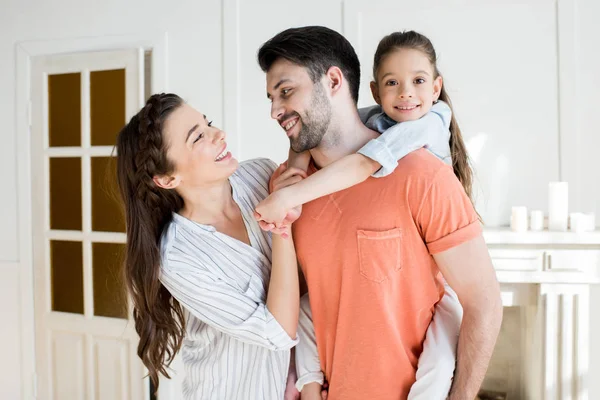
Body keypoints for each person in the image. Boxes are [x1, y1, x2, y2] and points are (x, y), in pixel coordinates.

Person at [257, 26, 503, 400]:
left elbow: (483, 302)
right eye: (272, 97)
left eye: (287, 91)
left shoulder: (422, 175)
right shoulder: (286, 190)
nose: (275, 110)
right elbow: (302, 308)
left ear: (334, 80)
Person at [115, 93, 301, 399]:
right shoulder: (177, 257)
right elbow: (277, 333)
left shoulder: (260, 175)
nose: (219, 134)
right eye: (198, 136)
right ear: (167, 178)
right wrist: (282, 225)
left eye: (208, 123)